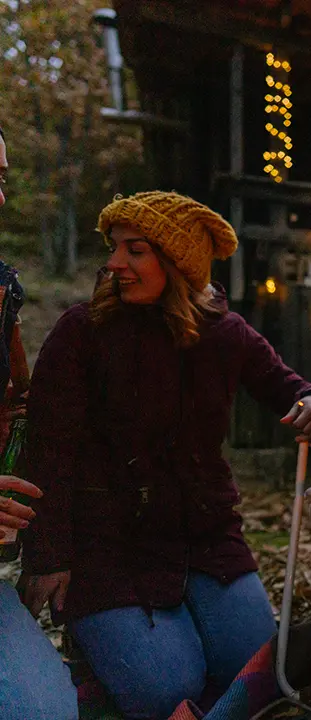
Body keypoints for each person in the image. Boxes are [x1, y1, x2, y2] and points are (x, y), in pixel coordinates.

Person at [19, 191, 311, 720]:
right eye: (115, 248)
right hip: (109, 547)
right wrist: (48, 558)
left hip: (205, 538)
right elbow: (48, 450)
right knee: (165, 689)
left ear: (178, 262)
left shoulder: (225, 334)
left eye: (135, 250)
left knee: (260, 673)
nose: (114, 263)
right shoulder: (82, 332)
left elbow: (288, 385)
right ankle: (104, 672)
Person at [0, 122, 80, 720]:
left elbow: (28, 415)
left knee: (43, 708)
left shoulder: (4, 295)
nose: (1, 198)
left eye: (2, 180)